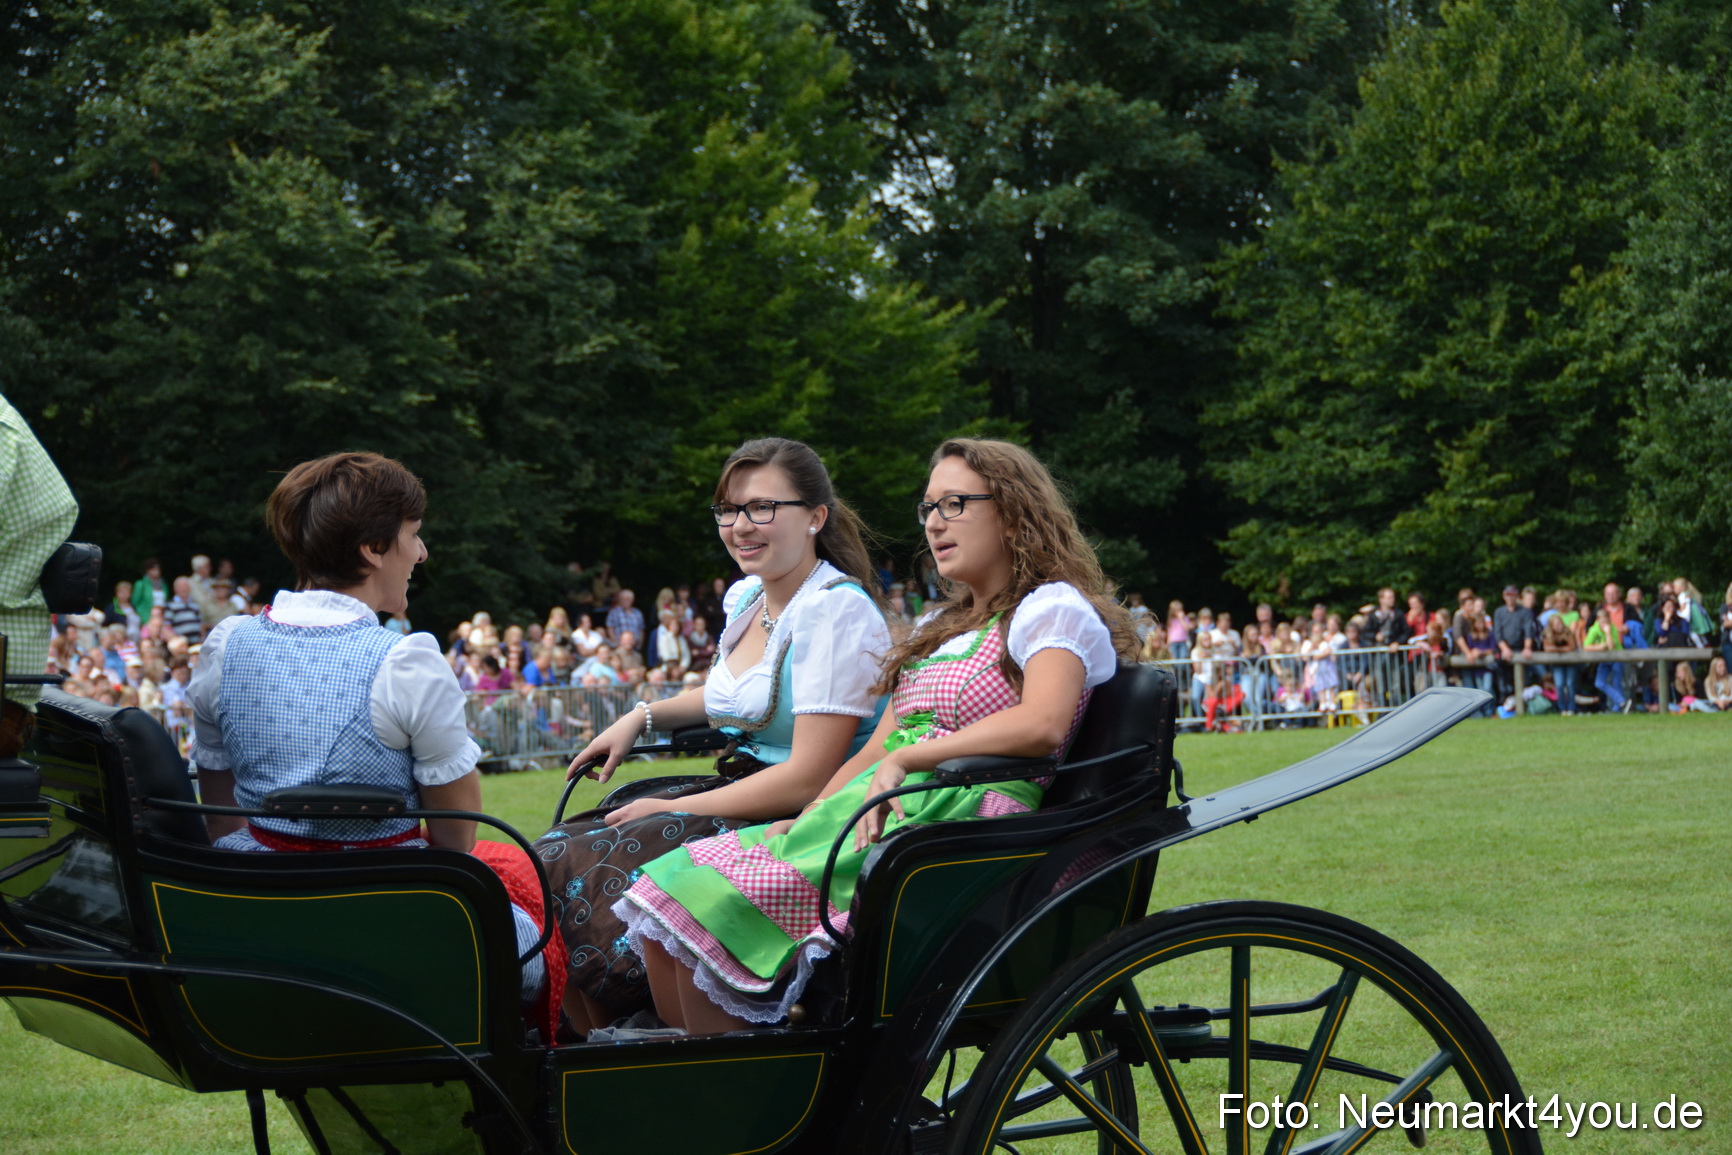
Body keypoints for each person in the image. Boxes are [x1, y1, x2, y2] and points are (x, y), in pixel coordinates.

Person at [617, 437, 1136, 1035]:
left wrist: (910, 757)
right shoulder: (942, 624)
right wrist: (812, 814)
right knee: (671, 885)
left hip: (965, 826)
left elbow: (1041, 724)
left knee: (708, 902)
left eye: (955, 504)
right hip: (885, 808)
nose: (935, 524)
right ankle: (723, 1098)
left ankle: (749, 1106)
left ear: (1014, 512)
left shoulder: (1050, 609)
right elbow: (873, 749)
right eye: (929, 508)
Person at [184, 452, 564, 1037]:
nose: (422, 552)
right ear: (373, 549)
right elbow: (454, 842)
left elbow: (220, 815)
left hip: (258, 908)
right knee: (536, 915)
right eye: (413, 535)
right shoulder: (406, 660)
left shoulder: (227, 644)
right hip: (388, 914)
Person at [533, 437, 891, 1034]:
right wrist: (640, 718)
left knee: (592, 861)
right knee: (547, 857)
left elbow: (807, 777)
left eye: (761, 508)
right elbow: (732, 693)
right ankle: (600, 1051)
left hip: (802, 811)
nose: (739, 526)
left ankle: (654, 1046)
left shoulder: (836, 612)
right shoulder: (751, 599)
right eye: (728, 510)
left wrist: (672, 805)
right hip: (741, 788)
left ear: (816, 517)